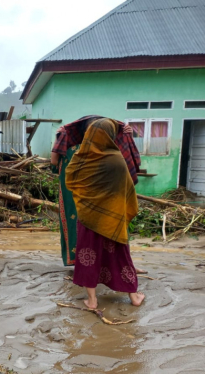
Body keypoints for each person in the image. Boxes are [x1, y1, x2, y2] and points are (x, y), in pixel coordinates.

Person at [65, 118, 145, 308]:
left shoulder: (80, 157)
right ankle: (133, 297)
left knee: (88, 257)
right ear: (109, 135)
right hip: (113, 219)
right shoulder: (116, 159)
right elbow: (127, 190)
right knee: (120, 256)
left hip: (88, 218)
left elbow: (70, 180)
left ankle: (92, 300)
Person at [50, 115, 141, 267]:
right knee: (107, 231)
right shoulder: (107, 151)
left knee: (96, 233)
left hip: (92, 201)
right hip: (102, 202)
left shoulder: (106, 150)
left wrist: (128, 137)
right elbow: (56, 164)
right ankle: (108, 266)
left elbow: (54, 162)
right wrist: (59, 139)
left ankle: (92, 266)